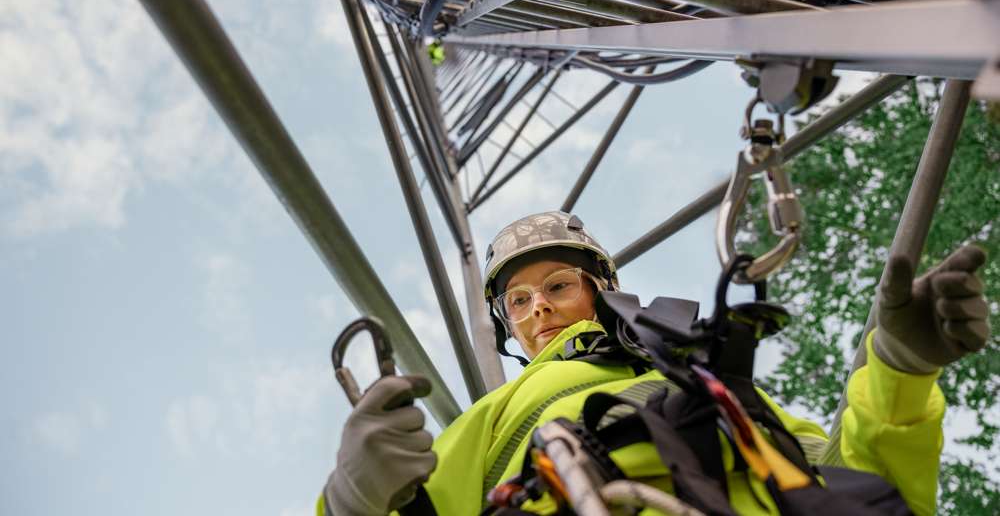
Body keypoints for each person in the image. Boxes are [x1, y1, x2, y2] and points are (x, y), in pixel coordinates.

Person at [320, 211, 991, 516]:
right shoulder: (494, 418)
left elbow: (848, 484)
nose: (538, 311)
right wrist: (352, 501)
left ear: (599, 288)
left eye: (557, 286)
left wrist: (897, 373)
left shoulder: (703, 375)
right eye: (517, 303)